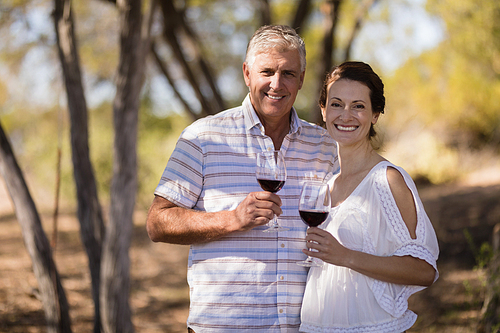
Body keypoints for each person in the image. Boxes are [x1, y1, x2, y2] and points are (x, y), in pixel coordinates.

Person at [146, 25, 339, 333]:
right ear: (247, 74)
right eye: (267, 71)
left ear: (301, 79)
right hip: (224, 327)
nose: (277, 84)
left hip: (305, 326)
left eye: (289, 73)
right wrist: (231, 219)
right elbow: (157, 222)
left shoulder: (325, 146)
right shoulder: (203, 137)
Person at [299, 61, 439, 333]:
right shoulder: (326, 186)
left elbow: (424, 271)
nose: (346, 115)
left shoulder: (388, 179)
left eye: (359, 106)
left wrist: (345, 256)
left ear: (375, 114)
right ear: (323, 110)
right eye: (337, 104)